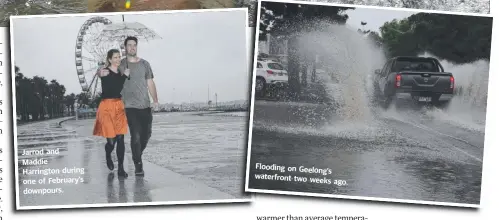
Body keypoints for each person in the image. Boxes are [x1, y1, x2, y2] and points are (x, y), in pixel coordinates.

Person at [99, 36, 159, 176]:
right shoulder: (121, 64)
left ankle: (137, 154)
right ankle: (137, 164)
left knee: (146, 135)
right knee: (135, 136)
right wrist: (99, 73)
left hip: (145, 105)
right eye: (129, 45)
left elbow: (150, 82)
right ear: (125, 47)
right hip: (127, 106)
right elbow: (106, 71)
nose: (132, 47)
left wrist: (155, 100)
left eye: (134, 45)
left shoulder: (145, 64)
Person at [93, 49, 130, 178]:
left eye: (119, 57)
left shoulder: (120, 73)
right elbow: (111, 83)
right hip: (106, 107)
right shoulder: (105, 71)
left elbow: (118, 88)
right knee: (111, 141)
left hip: (118, 105)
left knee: (120, 138)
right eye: (115, 57)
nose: (118, 59)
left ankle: (121, 168)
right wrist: (99, 72)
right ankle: (108, 154)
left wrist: (124, 75)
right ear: (109, 59)